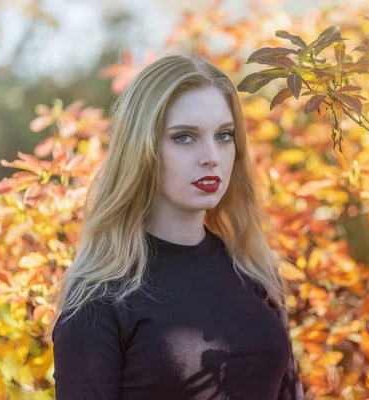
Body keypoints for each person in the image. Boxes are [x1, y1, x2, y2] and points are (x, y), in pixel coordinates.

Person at [44, 54, 305, 400]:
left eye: (224, 135)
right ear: (142, 149)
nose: (211, 155)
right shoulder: (102, 297)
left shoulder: (255, 271)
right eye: (184, 137)